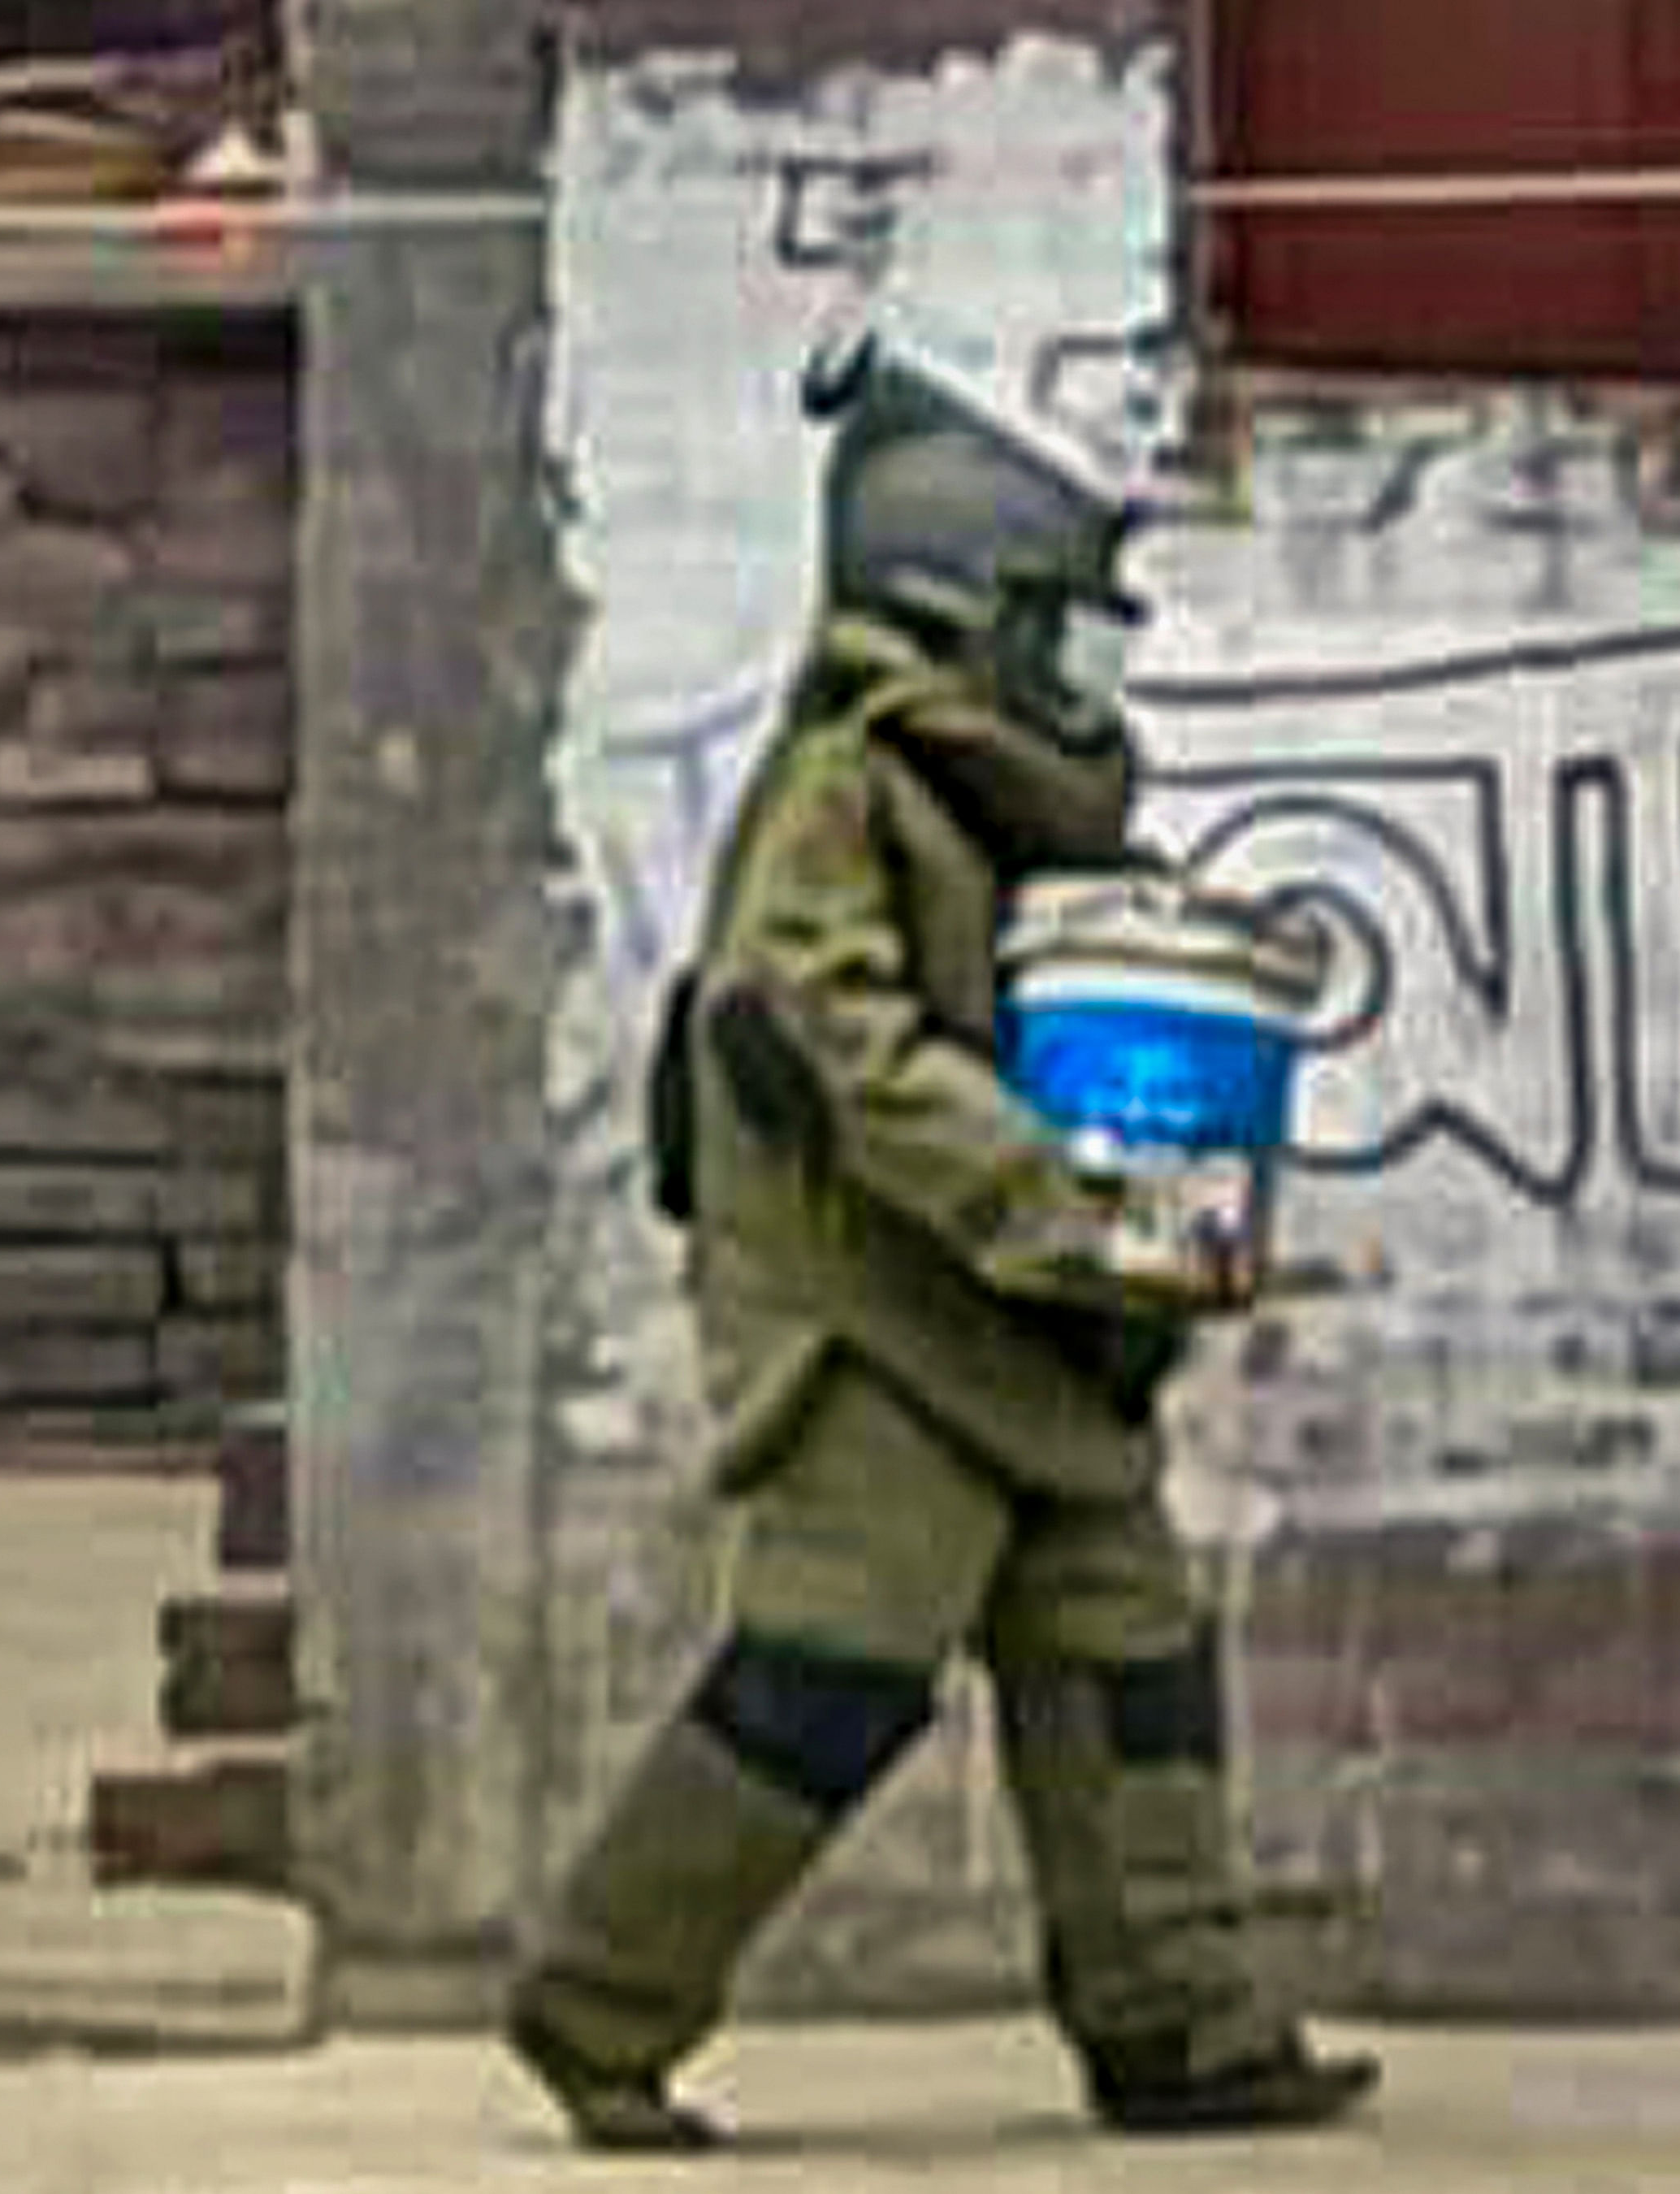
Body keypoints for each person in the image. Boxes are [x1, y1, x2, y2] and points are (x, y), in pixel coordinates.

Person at [503, 335, 1379, 2153]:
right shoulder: (851, 785)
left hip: (1031, 1321)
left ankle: (1179, 2030)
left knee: (1129, 1663)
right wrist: (1069, 1210)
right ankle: (597, 2010)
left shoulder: (997, 799)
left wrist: (1140, 1197)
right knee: (833, 1673)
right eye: (1061, 627)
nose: (1088, 671)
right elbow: (839, 1041)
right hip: (872, 1322)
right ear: (962, 603)